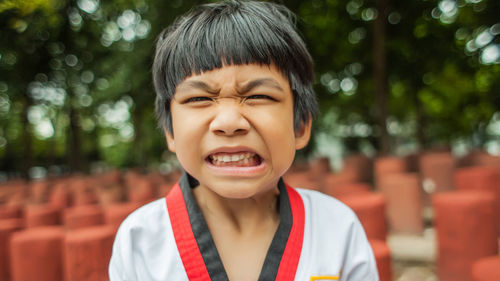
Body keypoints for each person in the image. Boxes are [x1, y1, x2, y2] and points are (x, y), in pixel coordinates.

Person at [108, 1, 379, 280]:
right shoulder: (139, 241)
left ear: (300, 127)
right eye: (199, 98)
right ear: (170, 132)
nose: (228, 122)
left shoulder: (337, 229)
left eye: (259, 96)